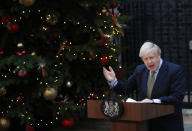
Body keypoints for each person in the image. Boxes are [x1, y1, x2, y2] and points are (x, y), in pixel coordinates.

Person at [103, 41, 186, 131]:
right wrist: (113, 81)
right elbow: (125, 89)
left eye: (151, 58)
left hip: (168, 124)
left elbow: (177, 97)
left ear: (159, 55)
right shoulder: (140, 70)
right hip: (145, 123)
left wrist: (153, 101)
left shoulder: (175, 70)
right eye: (145, 59)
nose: (149, 62)